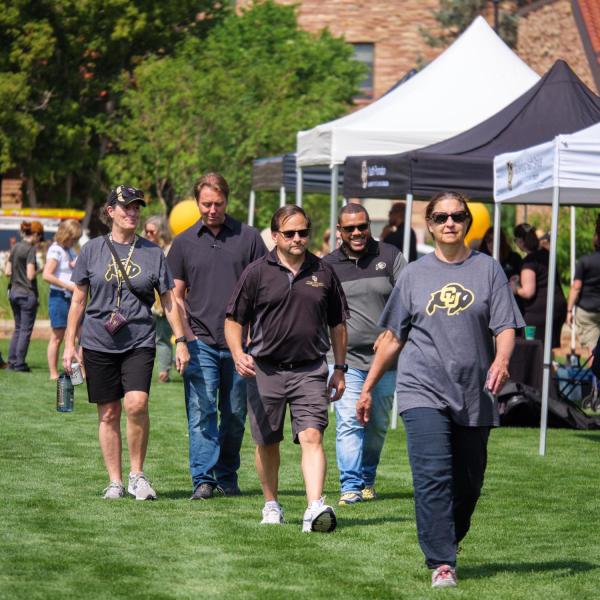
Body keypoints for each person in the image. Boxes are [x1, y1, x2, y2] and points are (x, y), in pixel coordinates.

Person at [357, 191, 523, 588]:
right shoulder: (414, 275)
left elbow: (504, 326)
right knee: (432, 474)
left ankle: (448, 538)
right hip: (422, 389)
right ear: (429, 225)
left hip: (474, 391)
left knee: (469, 482)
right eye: (441, 217)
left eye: (457, 216)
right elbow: (393, 337)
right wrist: (367, 388)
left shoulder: (488, 270)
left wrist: (501, 361)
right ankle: (442, 561)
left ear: (467, 222)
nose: (450, 223)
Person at [224, 205, 348, 532]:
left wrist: (340, 368)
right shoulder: (256, 272)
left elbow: (338, 324)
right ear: (276, 235)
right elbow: (234, 320)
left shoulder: (324, 271)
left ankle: (314, 507)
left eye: (303, 232)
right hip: (265, 369)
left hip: (310, 369)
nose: (297, 238)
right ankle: (271, 504)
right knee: (267, 441)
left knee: (312, 435)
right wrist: (238, 353)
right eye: (290, 233)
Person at [62, 185, 189, 500]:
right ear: (110, 211)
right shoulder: (91, 250)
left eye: (137, 207)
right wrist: (69, 344)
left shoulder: (152, 252)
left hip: (139, 339)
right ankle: (115, 481)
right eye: (126, 207)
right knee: (108, 413)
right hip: (97, 340)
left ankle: (137, 475)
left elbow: (170, 301)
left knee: (136, 403)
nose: (132, 212)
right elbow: (78, 301)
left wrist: (181, 339)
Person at [168, 172, 267, 500]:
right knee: (202, 410)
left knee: (236, 415)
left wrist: (253, 333)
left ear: (228, 200)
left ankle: (227, 475)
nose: (212, 209)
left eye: (218, 203)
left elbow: (264, 289)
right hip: (201, 342)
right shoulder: (183, 243)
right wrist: (185, 338)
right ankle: (203, 479)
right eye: (206, 204)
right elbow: (175, 295)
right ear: (196, 202)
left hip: (241, 343)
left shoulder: (249, 238)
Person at [322, 204, 406, 505]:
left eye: (362, 226)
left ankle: (367, 477)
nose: (356, 233)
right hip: (344, 360)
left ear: (369, 225)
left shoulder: (391, 257)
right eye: (349, 228)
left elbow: (407, 299)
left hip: (385, 361)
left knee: (378, 423)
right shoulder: (327, 264)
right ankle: (350, 486)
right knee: (349, 421)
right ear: (340, 231)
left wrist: (393, 328)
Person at [512, 223, 567, 349]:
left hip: (539, 314)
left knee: (535, 351)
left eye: (515, 240)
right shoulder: (546, 254)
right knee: (549, 351)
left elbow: (528, 292)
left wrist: (515, 288)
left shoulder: (529, 262)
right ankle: (550, 368)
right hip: (557, 308)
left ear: (520, 241)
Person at [42, 219, 82, 380]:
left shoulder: (70, 250)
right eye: (73, 238)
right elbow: (47, 275)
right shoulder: (55, 250)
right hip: (59, 297)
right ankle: (53, 373)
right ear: (66, 234)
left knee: (81, 336)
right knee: (57, 336)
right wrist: (68, 286)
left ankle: (77, 374)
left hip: (73, 298)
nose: (74, 241)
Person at [4, 220, 44, 372]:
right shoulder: (30, 250)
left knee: (18, 328)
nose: (39, 239)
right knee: (25, 330)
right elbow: (30, 274)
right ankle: (20, 363)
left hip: (14, 292)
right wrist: (41, 269)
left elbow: (7, 271)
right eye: (39, 236)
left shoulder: (15, 247)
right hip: (27, 294)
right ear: (34, 234)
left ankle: (12, 361)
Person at [143, 215, 173, 382]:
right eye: (146, 231)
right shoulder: (145, 248)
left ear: (161, 231)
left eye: (152, 231)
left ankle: (164, 371)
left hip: (166, 302)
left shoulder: (170, 249)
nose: (148, 234)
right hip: (147, 302)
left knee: (162, 337)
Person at [567, 216, 600, 352]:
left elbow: (576, 287)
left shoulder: (585, 261)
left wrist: (569, 310)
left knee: (593, 350)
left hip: (587, 311)